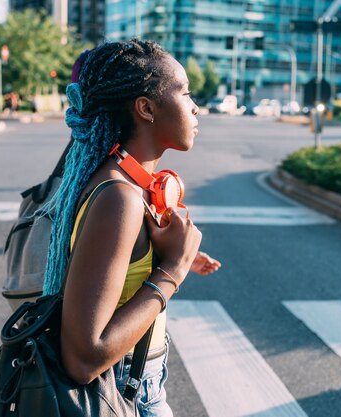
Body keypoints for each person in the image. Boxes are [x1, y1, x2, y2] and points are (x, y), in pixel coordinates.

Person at [42, 40, 221, 416]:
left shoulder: (125, 185)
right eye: (185, 93)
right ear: (146, 108)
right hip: (124, 392)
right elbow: (84, 357)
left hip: (136, 382)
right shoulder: (119, 198)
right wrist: (172, 269)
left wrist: (172, 256)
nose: (195, 106)